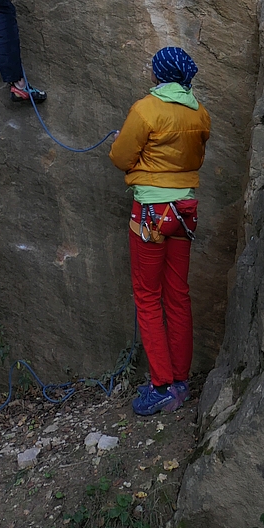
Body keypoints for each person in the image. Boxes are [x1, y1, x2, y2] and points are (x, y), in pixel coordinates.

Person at [109, 46, 210, 416]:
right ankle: (180, 381)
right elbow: (195, 158)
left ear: (158, 75)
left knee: (148, 295)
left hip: (151, 212)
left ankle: (161, 384)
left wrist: (126, 141)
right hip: (184, 211)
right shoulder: (199, 113)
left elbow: (121, 157)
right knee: (177, 294)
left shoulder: (145, 110)